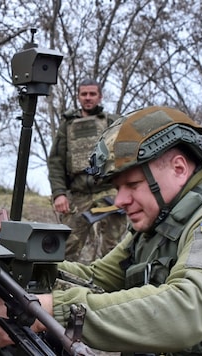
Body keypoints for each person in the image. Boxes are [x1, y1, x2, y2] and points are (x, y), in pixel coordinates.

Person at [0, 106, 202, 354]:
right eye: (118, 187)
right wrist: (23, 264)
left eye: (133, 185)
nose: (120, 200)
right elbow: (96, 278)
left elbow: (186, 309)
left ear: (180, 168)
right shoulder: (160, 223)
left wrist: (52, 310)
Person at [47, 78, 127, 265]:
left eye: (92, 94)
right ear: (78, 96)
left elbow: (128, 155)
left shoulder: (113, 122)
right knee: (66, 249)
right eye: (84, 94)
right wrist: (59, 194)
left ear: (100, 96)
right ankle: (61, 290)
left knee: (113, 250)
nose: (88, 98)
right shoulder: (67, 126)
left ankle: (111, 291)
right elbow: (56, 162)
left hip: (109, 191)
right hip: (79, 194)